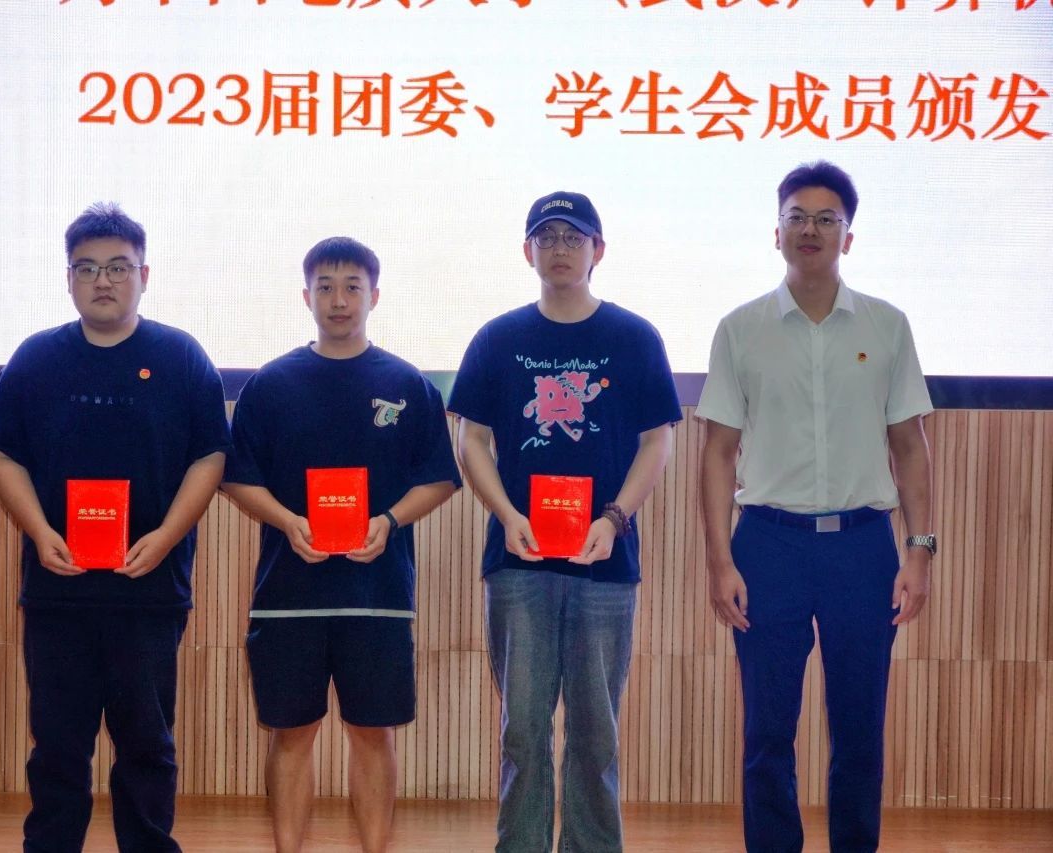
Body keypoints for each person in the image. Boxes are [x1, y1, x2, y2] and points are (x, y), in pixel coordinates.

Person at [0, 202, 231, 852]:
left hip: (149, 590)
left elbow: (210, 455)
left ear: (144, 275)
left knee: (147, 744)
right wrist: (39, 531)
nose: (103, 280)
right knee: (57, 746)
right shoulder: (37, 358)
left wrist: (166, 536)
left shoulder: (180, 356)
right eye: (87, 268)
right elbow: (0, 452)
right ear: (69, 279)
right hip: (58, 592)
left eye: (118, 267)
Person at [697, 161, 934, 853]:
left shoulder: (887, 326)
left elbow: (911, 446)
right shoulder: (740, 329)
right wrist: (719, 560)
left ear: (847, 238)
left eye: (827, 219)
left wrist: (921, 551)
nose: (811, 229)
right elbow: (717, 452)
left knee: (860, 728)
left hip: (863, 547)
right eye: (797, 217)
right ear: (776, 233)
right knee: (767, 730)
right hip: (767, 545)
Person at [448, 191, 681, 852]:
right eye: (546, 237)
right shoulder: (498, 338)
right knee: (522, 730)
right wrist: (506, 513)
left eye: (573, 238)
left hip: (605, 562)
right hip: (518, 563)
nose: (559, 249)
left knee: (596, 733)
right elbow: (470, 438)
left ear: (597, 250)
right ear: (527, 251)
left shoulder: (634, 337)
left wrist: (615, 517)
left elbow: (657, 440)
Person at [221, 236, 460, 853]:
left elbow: (439, 478)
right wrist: (286, 521)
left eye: (352, 286)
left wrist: (389, 521)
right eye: (324, 287)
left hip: (377, 596)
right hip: (287, 596)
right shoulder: (270, 385)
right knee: (291, 734)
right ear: (305, 297)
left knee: (373, 734)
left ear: (374, 295)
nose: (338, 299)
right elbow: (237, 477)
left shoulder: (409, 384)